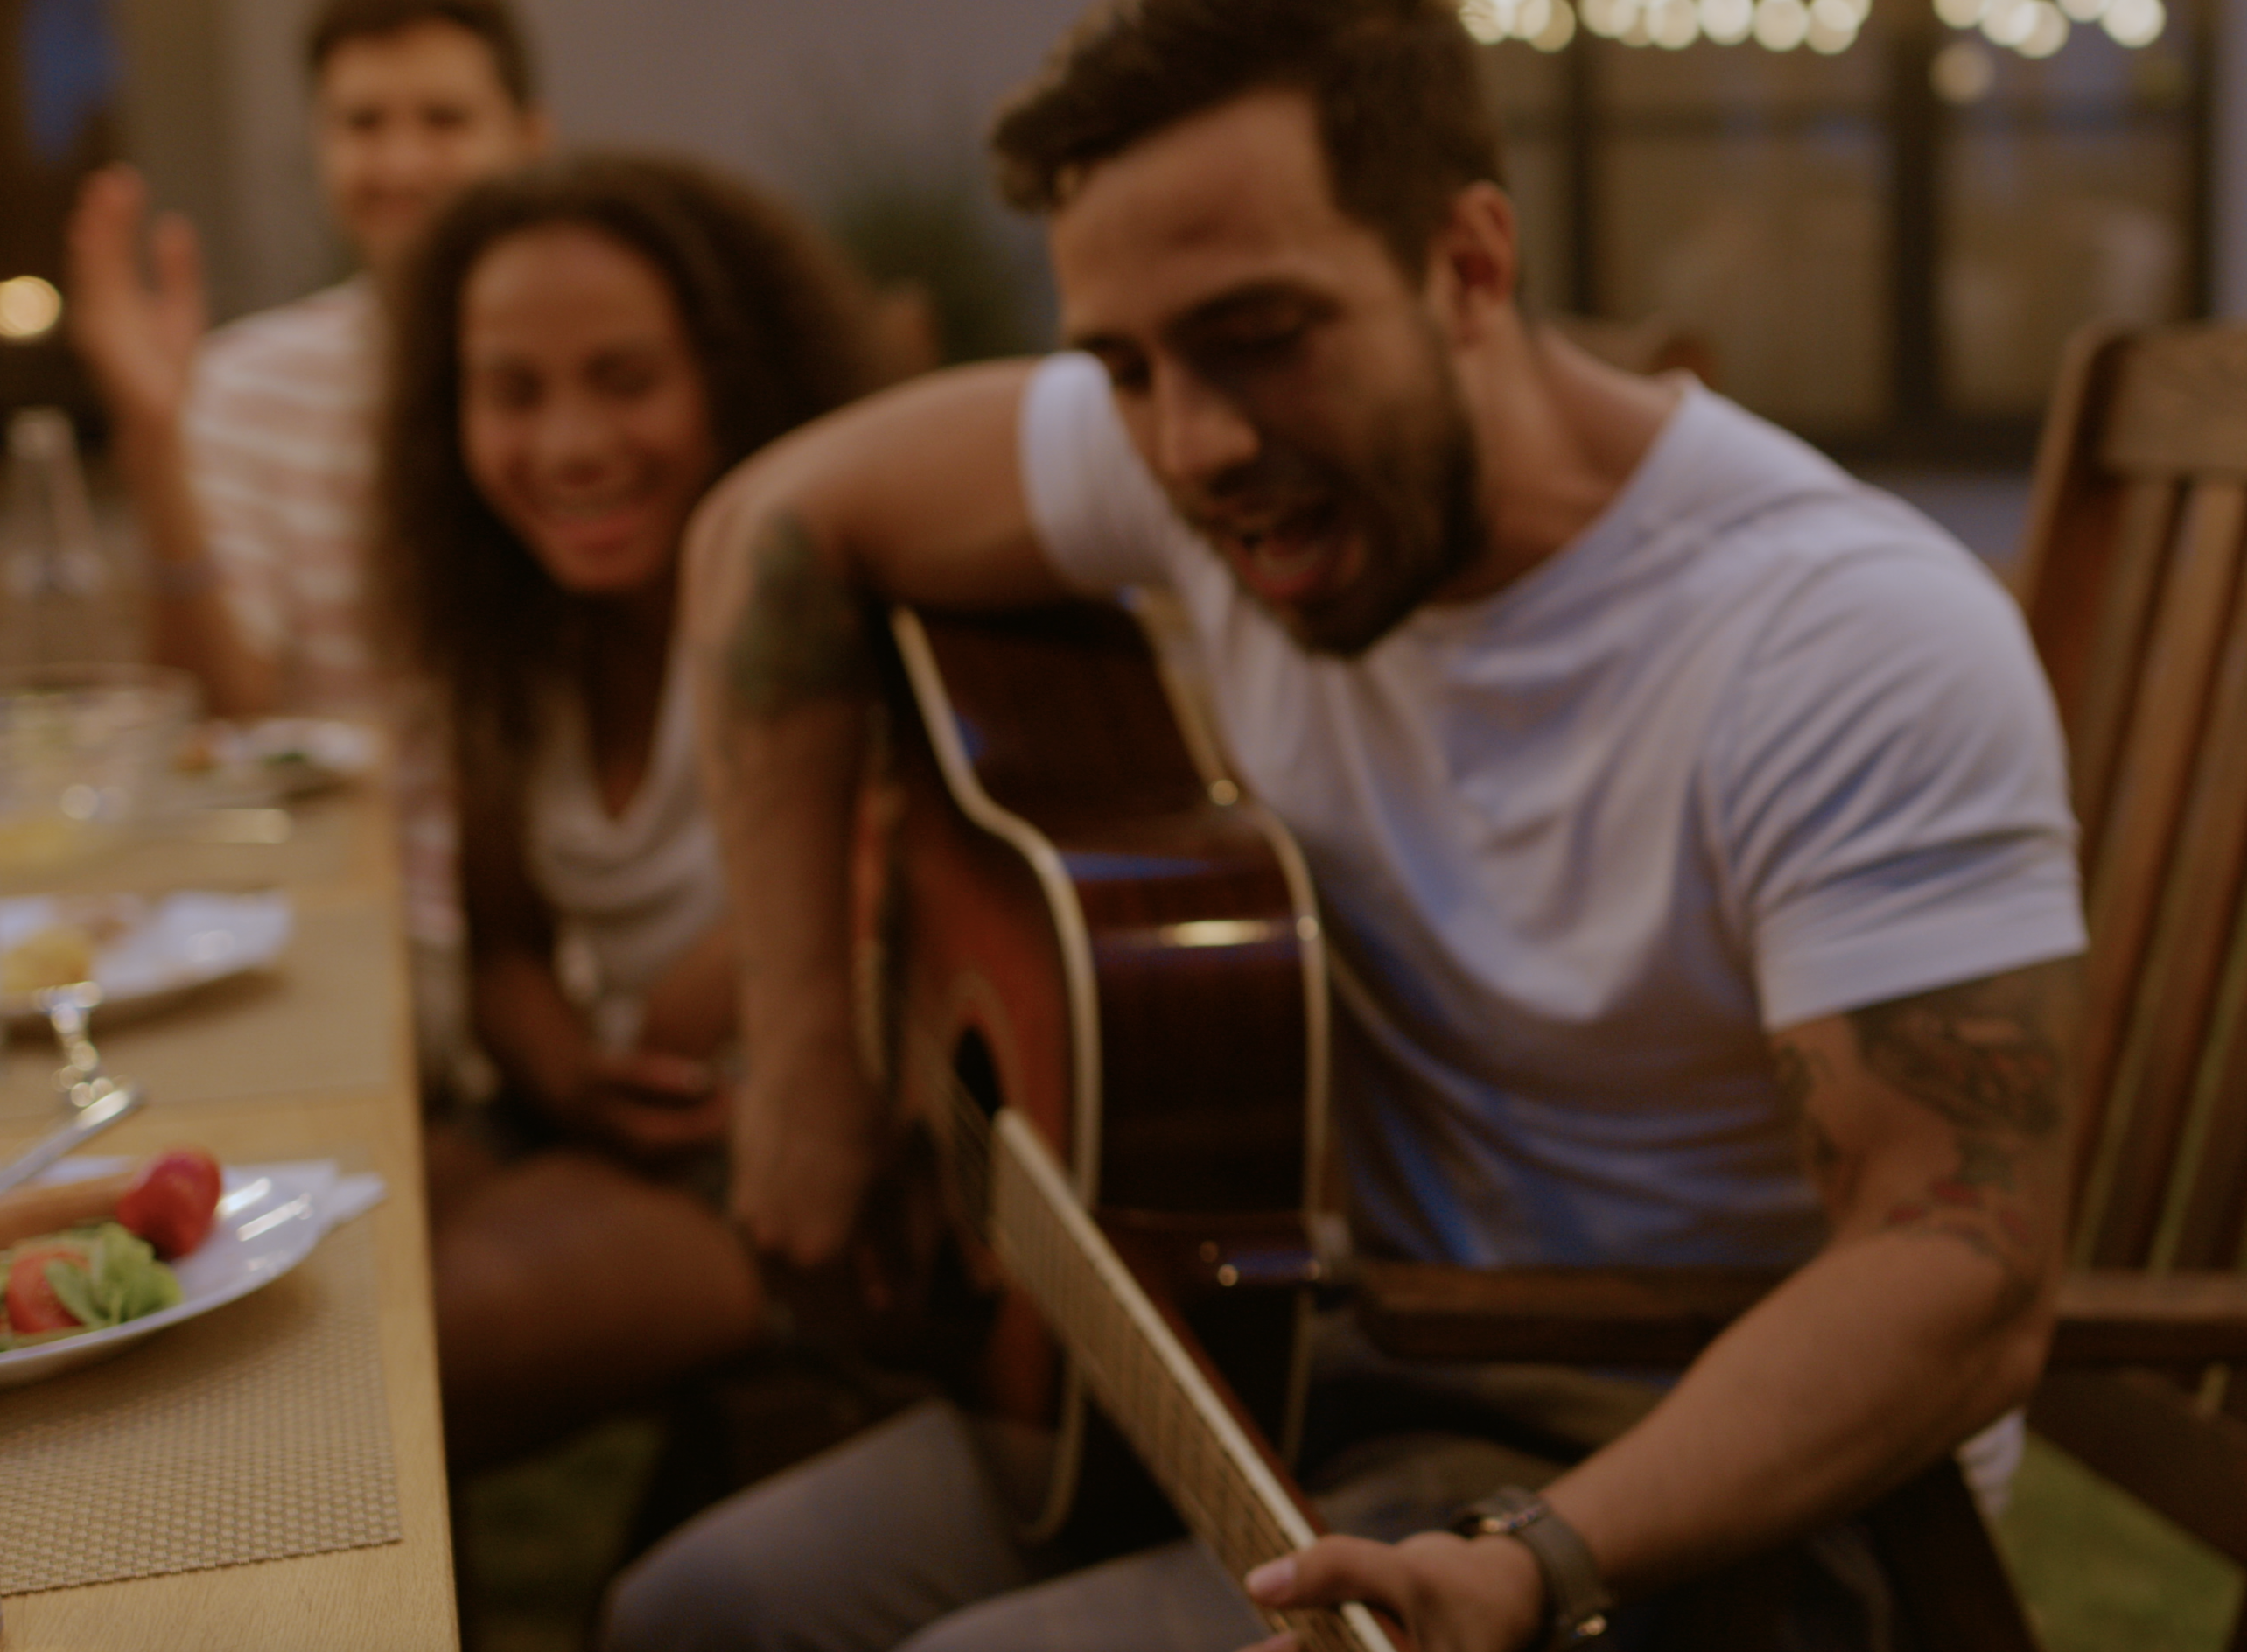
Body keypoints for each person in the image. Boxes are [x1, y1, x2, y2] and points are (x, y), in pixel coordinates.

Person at [612, 0, 2084, 1646]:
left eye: (1260, 334)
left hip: (1711, 1502)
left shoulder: (1835, 637)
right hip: (1338, 1364)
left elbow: (1961, 1274)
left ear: (1468, 264)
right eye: (1124, 363)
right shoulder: (1228, 461)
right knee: (699, 1610)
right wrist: (812, 1058)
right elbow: (770, 532)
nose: (1191, 444)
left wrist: (1540, 1553)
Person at [375, 150, 880, 1468]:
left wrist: (708, 1009)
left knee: (383, 1363)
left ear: (735, 376)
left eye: (626, 379)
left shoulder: (830, 611)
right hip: (600, 1121)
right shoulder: (509, 629)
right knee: (281, 1280)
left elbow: (884, 888)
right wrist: (567, 1073)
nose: (568, 445)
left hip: (797, 1178)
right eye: (510, 392)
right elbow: (501, 949)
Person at [61, 0, 550, 1091]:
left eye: (444, 118)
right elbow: (227, 713)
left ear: (531, 136)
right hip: (353, 924)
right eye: (363, 122)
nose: (401, 159)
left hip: (570, 948)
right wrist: (154, 448)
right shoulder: (249, 383)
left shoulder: (595, 383)